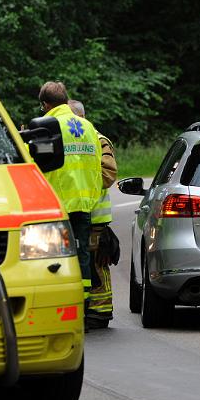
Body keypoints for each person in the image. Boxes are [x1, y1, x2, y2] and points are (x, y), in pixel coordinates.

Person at [38, 82, 102, 311]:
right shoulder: (87, 127)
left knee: (53, 257)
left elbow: (34, 166)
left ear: (45, 104)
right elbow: (97, 164)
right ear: (66, 100)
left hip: (56, 205)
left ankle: (58, 304)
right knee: (82, 253)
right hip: (83, 204)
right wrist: (92, 197)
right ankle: (83, 303)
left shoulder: (46, 127)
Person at [68, 99, 119, 329]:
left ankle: (101, 311)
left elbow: (108, 175)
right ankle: (84, 308)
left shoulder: (98, 140)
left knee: (97, 265)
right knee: (78, 264)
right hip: (74, 213)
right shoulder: (67, 140)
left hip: (95, 218)